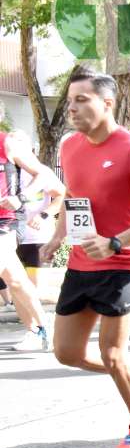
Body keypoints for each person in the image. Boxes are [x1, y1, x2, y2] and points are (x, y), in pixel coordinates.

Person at [41, 69, 130, 448]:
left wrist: (116, 241)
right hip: (83, 263)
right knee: (66, 352)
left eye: (82, 100)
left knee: (113, 353)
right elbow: (73, 196)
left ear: (107, 103)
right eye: (70, 102)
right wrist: (57, 236)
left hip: (124, 263)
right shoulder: (69, 147)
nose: (73, 108)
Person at [1, 126, 64, 352]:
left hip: (11, 225)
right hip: (22, 233)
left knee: (30, 284)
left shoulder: (6, 144)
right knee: (15, 281)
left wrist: (23, 199)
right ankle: (40, 326)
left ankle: (70, 301)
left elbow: (56, 187)